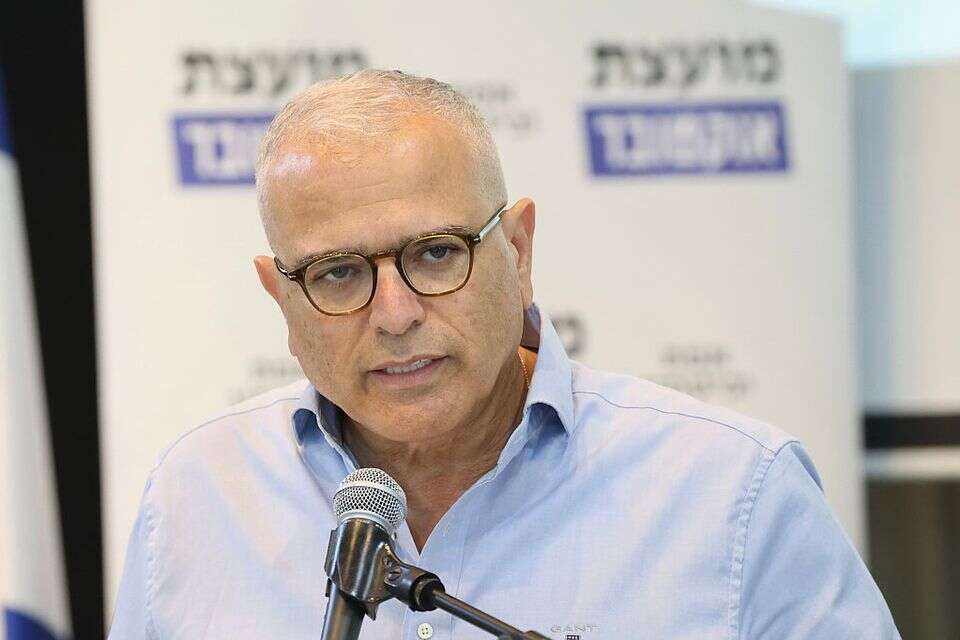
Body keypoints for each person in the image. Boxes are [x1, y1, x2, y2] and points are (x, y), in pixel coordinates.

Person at [109, 69, 899, 639]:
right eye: (338, 274)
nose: (395, 315)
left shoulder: (734, 493)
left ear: (518, 251)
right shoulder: (196, 497)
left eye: (436, 254)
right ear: (282, 298)